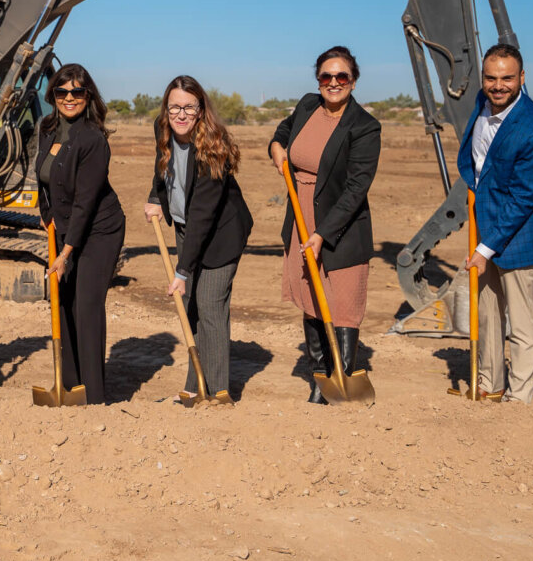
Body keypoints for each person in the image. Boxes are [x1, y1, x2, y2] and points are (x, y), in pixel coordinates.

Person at [269, 46, 381, 404]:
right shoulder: (307, 105)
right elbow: (286, 127)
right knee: (312, 300)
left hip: (341, 225)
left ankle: (341, 377)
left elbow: (356, 188)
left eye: (341, 76)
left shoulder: (364, 126)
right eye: (326, 77)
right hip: (301, 216)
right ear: (318, 80)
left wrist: (322, 234)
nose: (333, 83)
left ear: (354, 79)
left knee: (343, 303)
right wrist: (276, 143)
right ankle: (320, 380)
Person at [456, 43, 533, 403]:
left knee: (523, 324)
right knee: (488, 315)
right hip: (487, 229)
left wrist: (484, 248)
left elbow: (523, 199)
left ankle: (519, 398)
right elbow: (477, 163)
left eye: (507, 78)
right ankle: (490, 383)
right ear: (483, 78)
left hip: (520, 237)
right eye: (492, 78)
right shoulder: (482, 108)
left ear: (522, 79)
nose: (499, 85)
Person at [144, 76, 254, 398]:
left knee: (209, 305)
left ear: (200, 109)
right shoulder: (161, 128)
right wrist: (156, 196)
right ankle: (195, 387)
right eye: (174, 106)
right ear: (166, 108)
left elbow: (204, 216)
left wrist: (182, 270)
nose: (181, 115)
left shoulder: (212, 146)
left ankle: (218, 390)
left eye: (189, 108)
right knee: (190, 306)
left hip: (220, 234)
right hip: (185, 227)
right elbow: (161, 165)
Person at [35, 63, 126, 405]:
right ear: (53, 96)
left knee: (86, 306)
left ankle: (94, 395)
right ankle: (70, 385)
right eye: (62, 92)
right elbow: (43, 178)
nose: (69, 98)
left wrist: (65, 251)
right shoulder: (48, 128)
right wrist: (47, 217)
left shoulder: (92, 140)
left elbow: (86, 203)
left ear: (88, 96)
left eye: (77, 92)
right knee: (65, 303)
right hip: (65, 227)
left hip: (99, 229)